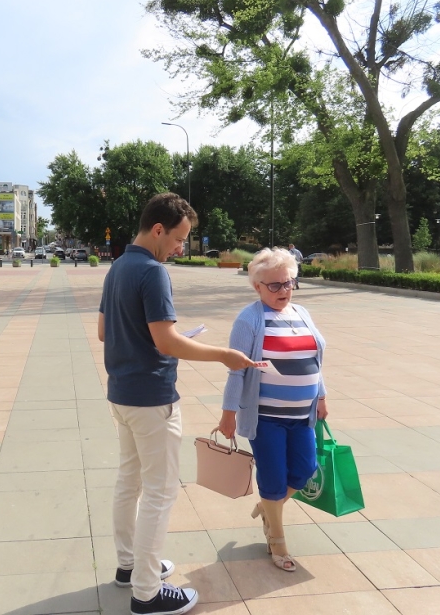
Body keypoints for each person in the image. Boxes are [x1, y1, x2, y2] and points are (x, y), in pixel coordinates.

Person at [98, 192, 257, 615]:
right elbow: (166, 342)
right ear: (158, 230)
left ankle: (130, 566)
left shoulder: (117, 266)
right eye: (178, 239)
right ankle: (147, 592)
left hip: (122, 395)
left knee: (129, 481)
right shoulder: (153, 272)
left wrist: (155, 340)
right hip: (152, 399)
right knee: (160, 492)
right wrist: (224, 355)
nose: (180, 248)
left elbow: (104, 331)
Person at [217, 247, 328, 573]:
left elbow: (314, 361)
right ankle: (277, 541)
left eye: (289, 283)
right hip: (266, 419)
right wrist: (228, 413)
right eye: (275, 285)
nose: (284, 290)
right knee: (274, 478)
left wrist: (321, 396)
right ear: (258, 286)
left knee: (305, 469)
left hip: (302, 416)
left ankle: (269, 507)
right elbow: (236, 372)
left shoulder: (302, 313)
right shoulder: (249, 320)